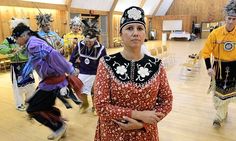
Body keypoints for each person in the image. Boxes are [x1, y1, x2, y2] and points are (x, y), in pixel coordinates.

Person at [93, 6, 173, 141]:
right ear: (121, 33)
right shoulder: (106, 63)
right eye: (129, 28)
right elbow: (101, 106)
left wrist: (142, 124)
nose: (135, 33)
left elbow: (167, 101)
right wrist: (138, 114)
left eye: (140, 28)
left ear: (145, 35)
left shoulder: (156, 65)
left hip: (145, 134)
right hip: (113, 133)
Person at [11, 24, 80, 140]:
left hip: (52, 83)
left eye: (16, 38)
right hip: (50, 80)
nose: (16, 41)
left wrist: (70, 69)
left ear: (23, 35)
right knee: (38, 104)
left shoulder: (33, 44)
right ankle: (58, 122)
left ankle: (58, 126)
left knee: (32, 108)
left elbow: (54, 54)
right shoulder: (32, 42)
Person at [201, 0, 236, 128]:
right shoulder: (215, 34)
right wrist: (209, 67)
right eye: (229, 18)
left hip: (234, 69)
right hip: (219, 68)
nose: (231, 21)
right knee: (217, 95)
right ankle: (222, 110)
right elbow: (205, 52)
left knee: (227, 94)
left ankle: (219, 117)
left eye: (233, 18)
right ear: (225, 18)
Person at [70, 16, 107, 114]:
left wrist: (103, 75)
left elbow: (104, 63)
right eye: (86, 41)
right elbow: (73, 57)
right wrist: (70, 67)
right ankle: (84, 104)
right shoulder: (80, 45)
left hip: (96, 72)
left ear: (95, 39)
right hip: (83, 71)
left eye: (90, 42)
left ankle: (95, 107)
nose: (88, 44)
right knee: (81, 89)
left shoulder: (101, 49)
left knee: (94, 90)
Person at [0, 18, 35, 111]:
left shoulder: (27, 39)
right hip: (16, 65)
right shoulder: (9, 39)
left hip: (27, 64)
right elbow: (1, 48)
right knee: (17, 86)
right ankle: (19, 104)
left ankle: (30, 102)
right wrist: (11, 49)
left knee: (30, 85)